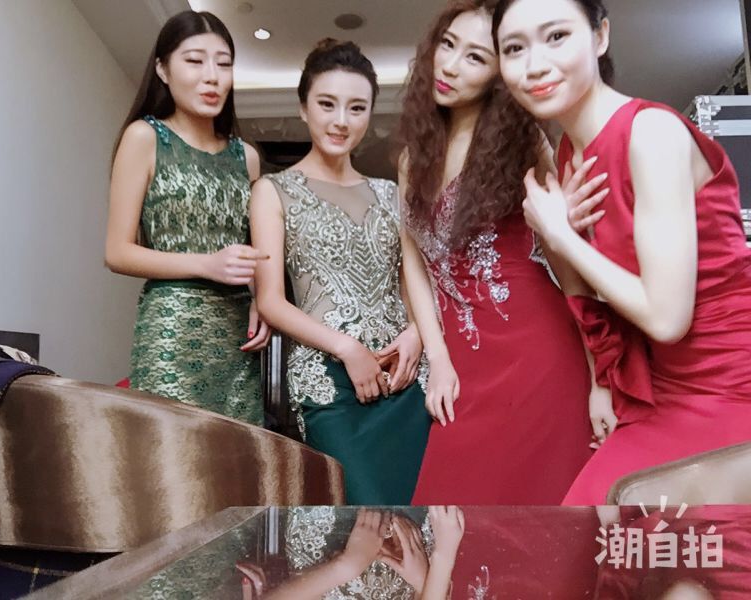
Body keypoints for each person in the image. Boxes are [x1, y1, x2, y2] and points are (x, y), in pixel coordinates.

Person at [494, 0, 751, 503]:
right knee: (591, 528)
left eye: (556, 36)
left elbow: (666, 318)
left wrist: (561, 234)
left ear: (600, 37)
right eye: (514, 48)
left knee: (612, 532)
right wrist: (602, 383)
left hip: (729, 387)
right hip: (661, 389)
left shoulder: (651, 134)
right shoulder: (569, 153)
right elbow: (591, 290)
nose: (535, 64)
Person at [399, 0, 592, 505]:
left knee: (540, 515)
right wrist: (438, 359)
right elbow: (413, 261)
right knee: (447, 513)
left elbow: (565, 256)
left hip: (539, 353)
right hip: (461, 366)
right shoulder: (411, 159)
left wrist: (600, 373)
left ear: (498, 74)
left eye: (475, 57)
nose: (450, 65)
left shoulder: (523, 143)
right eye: (447, 45)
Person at [250, 39, 431, 504]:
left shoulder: (391, 192)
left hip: (405, 380)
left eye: (357, 107)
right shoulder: (272, 191)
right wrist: (347, 348)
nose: (341, 121)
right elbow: (270, 300)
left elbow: (413, 283)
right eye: (327, 104)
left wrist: (417, 334)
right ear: (303, 108)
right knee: (363, 520)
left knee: (418, 521)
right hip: (329, 383)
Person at [105, 11, 269, 423]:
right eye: (195, 61)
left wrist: (262, 301)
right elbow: (117, 252)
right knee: (170, 454)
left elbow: (257, 252)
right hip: (171, 333)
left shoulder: (246, 157)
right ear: (163, 69)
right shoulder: (145, 137)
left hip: (238, 342)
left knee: (235, 457)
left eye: (224, 64)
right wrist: (206, 265)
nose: (212, 76)